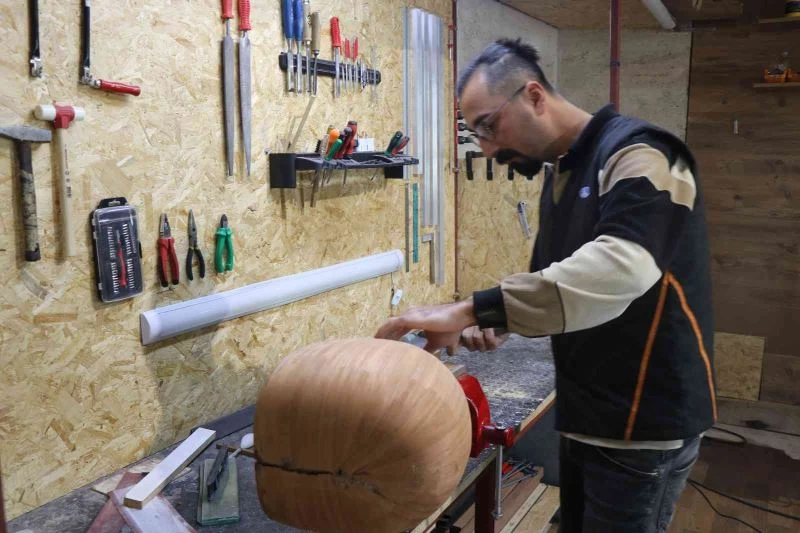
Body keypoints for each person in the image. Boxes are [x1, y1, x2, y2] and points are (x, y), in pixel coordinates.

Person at [375, 38, 716, 532]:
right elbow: (556, 283)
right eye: (476, 135)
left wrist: (470, 309)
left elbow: (620, 268)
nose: (487, 149)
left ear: (534, 96)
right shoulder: (563, 175)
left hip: (641, 424)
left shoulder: (645, 153)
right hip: (589, 412)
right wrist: (495, 324)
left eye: (489, 127)